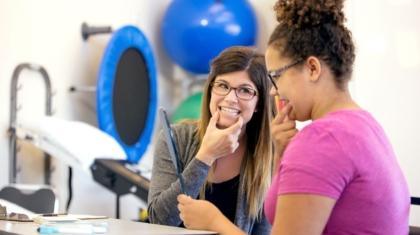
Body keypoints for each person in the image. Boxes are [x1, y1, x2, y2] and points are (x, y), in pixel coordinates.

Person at [177, 0, 411, 234]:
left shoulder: (322, 139)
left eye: (276, 76)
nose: (273, 90)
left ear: (312, 69)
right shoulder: (364, 124)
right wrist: (282, 153)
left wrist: (215, 222)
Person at [148, 46, 276, 234]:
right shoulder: (177, 138)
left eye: (245, 90)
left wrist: (214, 222)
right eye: (223, 86)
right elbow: (159, 220)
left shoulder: (269, 156)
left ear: (259, 104)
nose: (230, 98)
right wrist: (205, 157)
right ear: (210, 90)